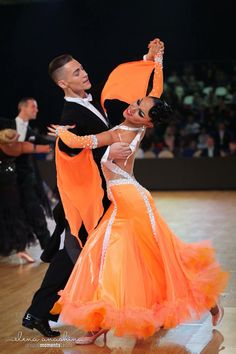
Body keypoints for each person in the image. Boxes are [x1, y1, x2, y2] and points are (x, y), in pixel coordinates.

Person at [48, 57, 228, 344]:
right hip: (125, 199)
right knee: (139, 258)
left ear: (147, 122)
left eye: (140, 110)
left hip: (130, 202)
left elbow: (84, 143)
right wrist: (156, 61)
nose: (133, 107)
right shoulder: (131, 124)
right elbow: (153, 93)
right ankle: (102, 321)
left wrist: (63, 134)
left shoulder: (121, 133)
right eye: (136, 103)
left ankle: (101, 323)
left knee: (121, 257)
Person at [22, 38, 164, 337]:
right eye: (75, 73)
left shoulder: (87, 102)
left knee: (76, 253)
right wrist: (101, 146)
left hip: (102, 193)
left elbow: (141, 96)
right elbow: (73, 152)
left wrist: (150, 60)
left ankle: (46, 313)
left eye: (82, 68)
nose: (84, 74)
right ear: (63, 83)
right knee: (85, 255)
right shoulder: (71, 116)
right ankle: (100, 316)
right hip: (88, 198)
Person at [0, 120, 51, 262]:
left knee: (12, 217)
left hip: (9, 187)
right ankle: (21, 249)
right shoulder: (19, 147)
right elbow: (44, 148)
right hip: (10, 186)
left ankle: (20, 248)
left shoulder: (13, 146)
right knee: (15, 216)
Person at [15, 97, 52, 251]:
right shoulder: (6, 126)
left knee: (34, 209)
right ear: (22, 107)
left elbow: (48, 144)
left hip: (26, 179)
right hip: (7, 179)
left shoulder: (31, 132)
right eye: (33, 106)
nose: (36, 110)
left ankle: (48, 247)